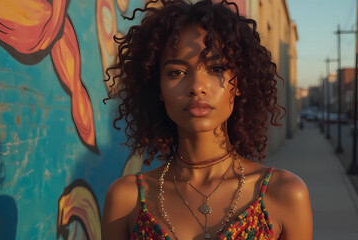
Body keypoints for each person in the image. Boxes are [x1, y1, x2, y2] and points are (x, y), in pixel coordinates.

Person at [101, 0, 313, 239]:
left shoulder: (284, 193)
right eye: (176, 72)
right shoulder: (126, 199)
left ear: (240, 82)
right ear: (157, 87)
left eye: (217, 68)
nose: (196, 87)